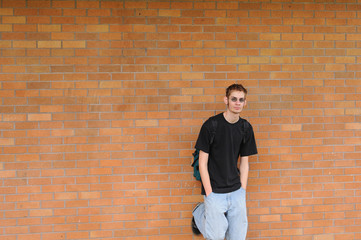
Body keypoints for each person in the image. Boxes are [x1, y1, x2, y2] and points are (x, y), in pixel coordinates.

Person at [191, 83, 258, 240]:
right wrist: (209, 192)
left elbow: (244, 162)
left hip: (236, 191)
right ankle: (200, 212)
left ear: (245, 102)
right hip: (215, 191)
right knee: (215, 236)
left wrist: (242, 189)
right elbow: (202, 162)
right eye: (233, 99)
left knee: (237, 237)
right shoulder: (211, 125)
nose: (237, 103)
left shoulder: (246, 128)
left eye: (241, 100)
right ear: (226, 100)